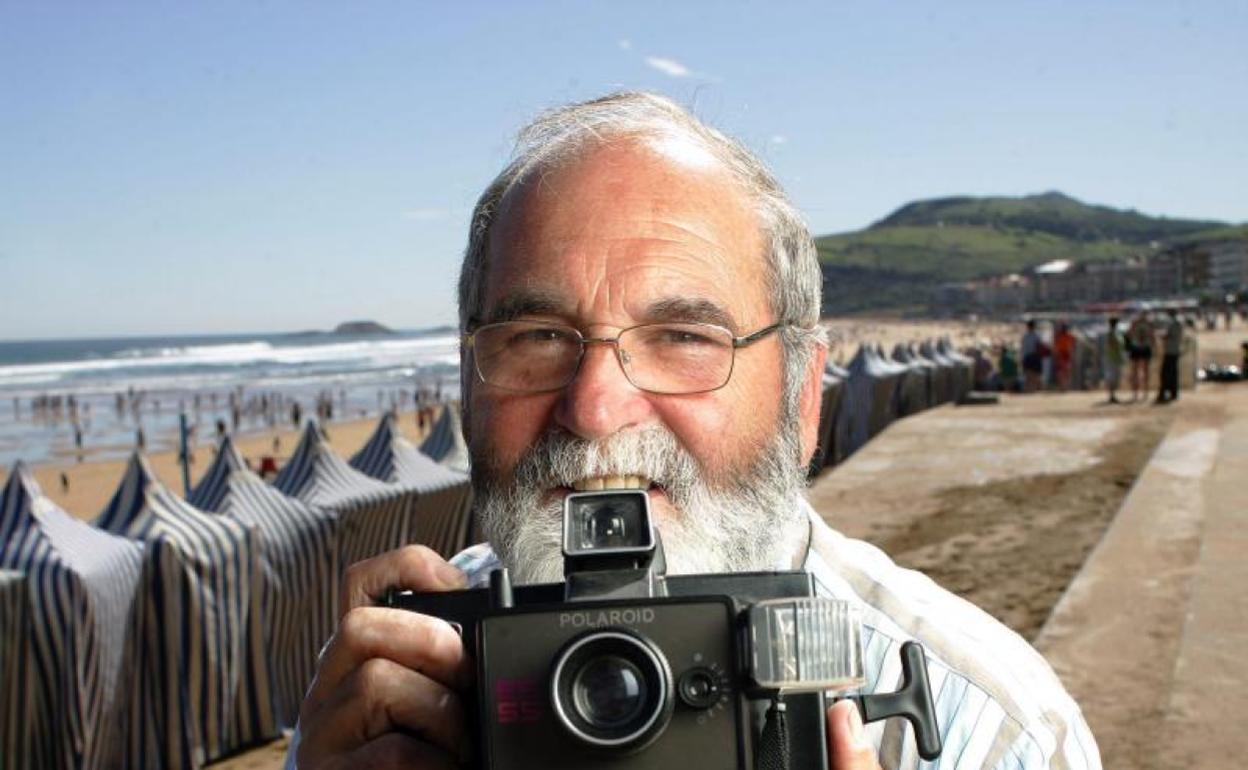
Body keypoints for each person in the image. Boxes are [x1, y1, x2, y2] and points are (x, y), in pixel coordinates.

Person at [290, 92, 1099, 769]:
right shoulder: (399, 689)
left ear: (802, 392)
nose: (597, 407)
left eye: (683, 338)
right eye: (535, 336)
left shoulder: (989, 735)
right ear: (467, 380)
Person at [1157, 309, 1184, 403]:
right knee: (1173, 373)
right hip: (1175, 350)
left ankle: (1165, 393)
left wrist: (1161, 336)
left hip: (1170, 351)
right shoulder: (1178, 322)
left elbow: (1169, 335)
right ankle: (1173, 393)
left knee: (1166, 373)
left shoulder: (1173, 323)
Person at [1126, 312, 1153, 402]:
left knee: (1139, 371)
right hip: (1140, 347)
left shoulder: (1142, 323)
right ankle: (1140, 393)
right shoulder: (1146, 323)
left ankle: (1140, 393)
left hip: (1139, 347)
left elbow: (1129, 335)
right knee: (1140, 371)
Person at [1104, 317, 1126, 404]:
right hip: (1112, 358)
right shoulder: (1111, 333)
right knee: (1112, 377)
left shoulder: (1117, 333)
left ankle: (1113, 395)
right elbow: (1111, 344)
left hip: (1116, 358)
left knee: (1116, 377)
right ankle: (1112, 395)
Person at [1020, 319, 1043, 391]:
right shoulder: (1037, 335)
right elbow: (1039, 346)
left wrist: (1022, 358)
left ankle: (1029, 388)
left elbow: (1023, 348)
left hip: (1028, 357)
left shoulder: (1025, 336)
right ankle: (1034, 388)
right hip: (1035, 356)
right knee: (1035, 374)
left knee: (1028, 374)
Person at [1053, 322, 1075, 391]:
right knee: (1063, 372)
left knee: (1064, 372)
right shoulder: (1061, 336)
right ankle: (1063, 386)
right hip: (1062, 354)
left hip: (1064, 354)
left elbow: (1072, 345)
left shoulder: (1065, 336)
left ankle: (1064, 386)